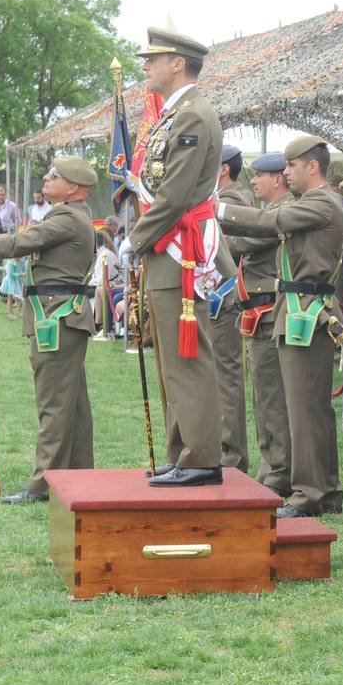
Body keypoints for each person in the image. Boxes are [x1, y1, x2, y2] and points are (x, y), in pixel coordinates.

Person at [118, 25, 226, 487]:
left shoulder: (193, 116)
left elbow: (177, 193)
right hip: (166, 245)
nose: (146, 67)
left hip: (179, 247)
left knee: (188, 356)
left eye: (152, 59)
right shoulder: (171, 116)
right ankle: (183, 450)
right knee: (170, 358)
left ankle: (201, 456)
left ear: (177, 63)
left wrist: (136, 237)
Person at [217, 137, 343, 516]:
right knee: (309, 410)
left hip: (306, 309)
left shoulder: (320, 202)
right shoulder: (312, 203)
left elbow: (270, 220)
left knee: (306, 411)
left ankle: (309, 494)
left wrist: (217, 209)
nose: (285, 174)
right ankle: (325, 489)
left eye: (291, 166)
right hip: (297, 308)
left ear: (312, 167)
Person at [0, 158, 98, 505]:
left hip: (57, 319)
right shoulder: (72, 216)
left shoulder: (67, 218)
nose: (46, 178)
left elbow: (22, 243)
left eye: (53, 176)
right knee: (73, 405)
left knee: (53, 404)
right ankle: (78, 475)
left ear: (71, 188)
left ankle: (42, 485)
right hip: (62, 317)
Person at [222, 151, 295, 497]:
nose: (252, 181)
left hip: (268, 311)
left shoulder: (282, 213)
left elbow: (244, 242)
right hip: (256, 312)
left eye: (259, 176)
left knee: (272, 398)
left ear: (277, 179)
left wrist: (214, 231)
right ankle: (272, 467)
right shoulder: (268, 212)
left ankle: (279, 470)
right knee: (264, 398)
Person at [212, 144, 251, 474]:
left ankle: (232, 454)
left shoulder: (233, 202)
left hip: (224, 297)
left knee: (226, 377)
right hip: (214, 297)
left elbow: (240, 243)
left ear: (223, 168)